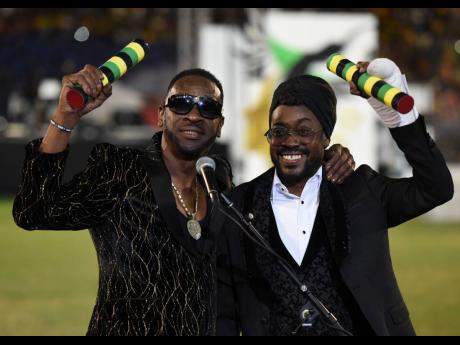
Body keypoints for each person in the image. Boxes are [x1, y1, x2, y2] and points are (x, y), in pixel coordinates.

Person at [12, 64, 355, 336]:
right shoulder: (120, 171)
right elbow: (34, 211)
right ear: (161, 115)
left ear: (219, 125)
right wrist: (66, 117)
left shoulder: (217, 179)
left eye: (207, 107)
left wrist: (324, 159)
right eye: (181, 103)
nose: (194, 114)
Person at [217, 58, 454, 336]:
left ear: (326, 137)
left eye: (304, 130)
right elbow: (226, 309)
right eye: (279, 130)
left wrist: (400, 120)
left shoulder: (361, 193)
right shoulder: (238, 204)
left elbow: (436, 188)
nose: (290, 141)